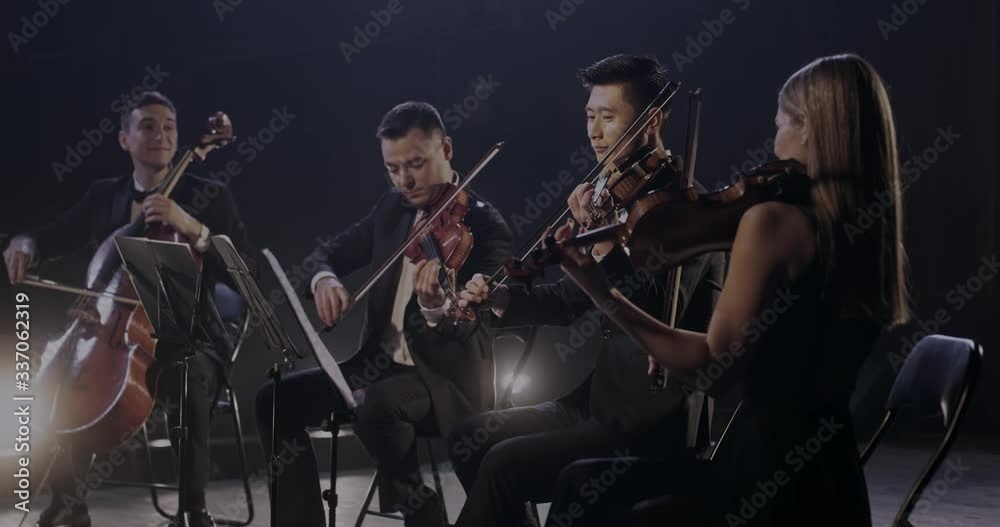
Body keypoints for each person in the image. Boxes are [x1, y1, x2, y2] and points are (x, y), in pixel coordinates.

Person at [549, 53, 909, 526]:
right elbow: (779, 352)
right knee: (580, 483)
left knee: (585, 497)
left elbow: (713, 370)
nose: (775, 141)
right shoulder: (875, 240)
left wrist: (604, 294)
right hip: (832, 482)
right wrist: (671, 344)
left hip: (761, 481)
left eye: (781, 123)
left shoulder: (774, 222)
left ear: (808, 127)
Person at [450, 54, 726, 527]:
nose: (594, 133)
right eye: (589, 116)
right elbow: (569, 301)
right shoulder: (615, 201)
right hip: (599, 402)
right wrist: (499, 299)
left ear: (651, 121)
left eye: (608, 117)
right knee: (468, 438)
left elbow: (660, 316)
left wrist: (600, 249)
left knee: (503, 464)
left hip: (652, 418)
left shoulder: (687, 211)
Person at [254, 101, 513, 527]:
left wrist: (437, 307)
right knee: (274, 399)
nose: (404, 180)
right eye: (393, 169)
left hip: (445, 380)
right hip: (377, 367)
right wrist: (324, 280)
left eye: (415, 164)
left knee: (375, 407)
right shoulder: (393, 208)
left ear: (446, 149)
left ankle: (420, 507)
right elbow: (327, 253)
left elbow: (479, 326)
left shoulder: (485, 227)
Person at [3, 91, 255, 527]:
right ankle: (68, 503)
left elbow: (244, 268)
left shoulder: (210, 194)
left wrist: (193, 228)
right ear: (124, 139)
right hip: (119, 333)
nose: (162, 135)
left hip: (192, 335)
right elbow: (54, 234)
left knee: (186, 373)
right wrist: (25, 243)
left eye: (170, 127)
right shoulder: (104, 195)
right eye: (148, 126)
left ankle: (192, 511)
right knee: (59, 371)